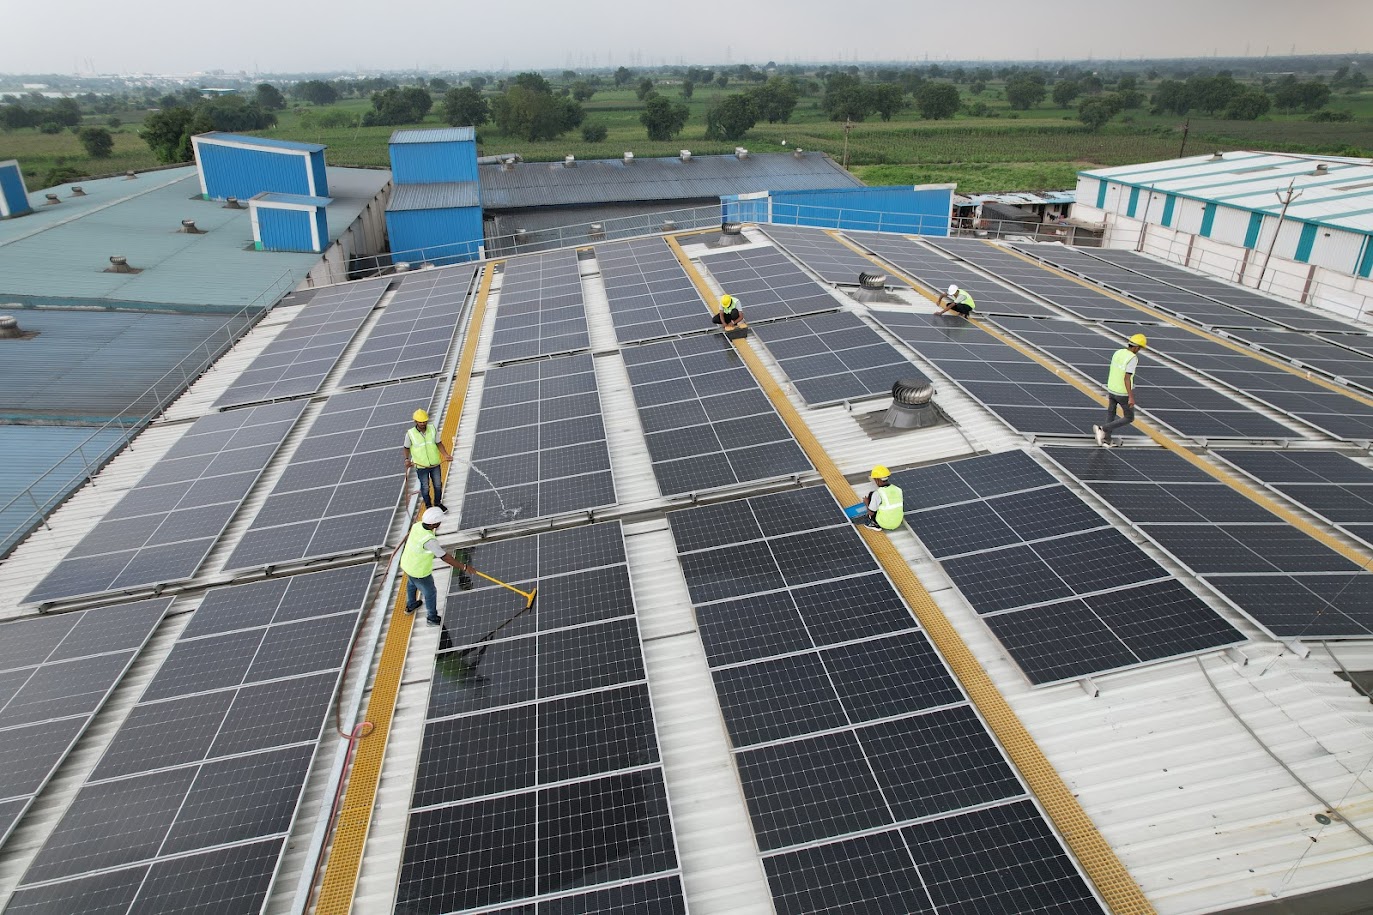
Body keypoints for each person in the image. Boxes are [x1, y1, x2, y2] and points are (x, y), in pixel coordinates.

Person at [401, 507, 474, 626]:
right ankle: (432, 618)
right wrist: (464, 567)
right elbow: (444, 557)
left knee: (411, 583)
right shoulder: (429, 541)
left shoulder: (417, 526)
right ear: (433, 524)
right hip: (420, 571)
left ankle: (411, 605)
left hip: (407, 564)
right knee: (430, 593)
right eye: (439, 521)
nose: (440, 523)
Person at [1094, 333, 1147, 447]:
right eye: (1140, 348)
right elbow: (1127, 378)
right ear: (1136, 347)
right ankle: (1102, 429)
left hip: (1112, 388)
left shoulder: (1118, 352)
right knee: (1129, 417)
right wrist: (1131, 397)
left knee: (1111, 413)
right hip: (1122, 392)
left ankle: (1106, 439)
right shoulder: (1132, 358)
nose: (1139, 350)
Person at [403, 408, 452, 510]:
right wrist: (407, 459)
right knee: (425, 487)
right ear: (415, 421)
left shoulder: (432, 429)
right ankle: (428, 506)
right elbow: (406, 448)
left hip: (435, 464)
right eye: (420, 422)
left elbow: (439, 443)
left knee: (438, 485)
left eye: (424, 421)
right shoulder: (410, 434)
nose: (423, 423)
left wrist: (446, 455)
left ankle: (437, 503)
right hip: (421, 466)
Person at [864, 465, 905, 531]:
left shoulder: (878, 493)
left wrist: (866, 503)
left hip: (884, 523)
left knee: (871, 495)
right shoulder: (898, 489)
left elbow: (871, 512)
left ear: (877, 480)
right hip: (897, 522)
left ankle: (874, 524)